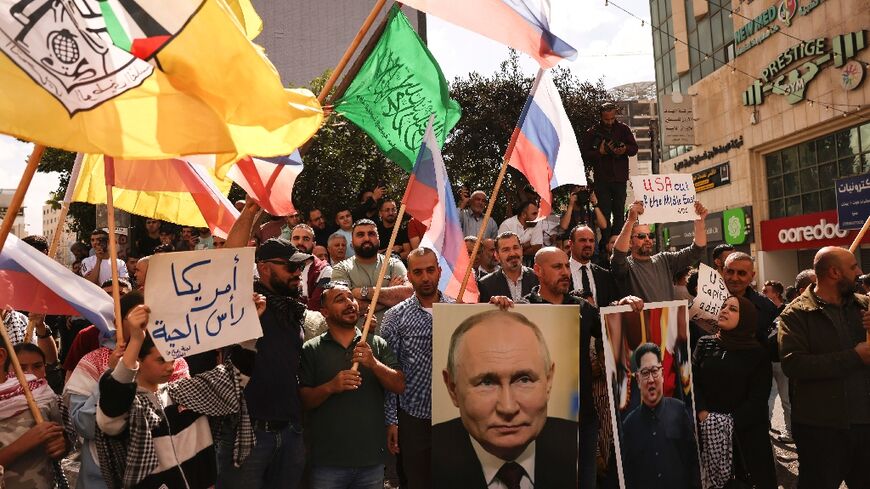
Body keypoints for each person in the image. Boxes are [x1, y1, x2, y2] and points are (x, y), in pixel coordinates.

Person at [95, 293, 264, 489]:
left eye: (173, 358)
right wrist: (136, 340)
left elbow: (234, 377)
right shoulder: (131, 409)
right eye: (160, 360)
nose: (170, 367)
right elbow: (110, 415)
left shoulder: (187, 393)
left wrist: (250, 322)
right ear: (138, 361)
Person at [221, 199, 313, 489]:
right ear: (262, 267)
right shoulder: (245, 300)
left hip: (290, 432)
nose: (297, 273)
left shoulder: (292, 307)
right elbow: (228, 262)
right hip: (248, 435)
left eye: (300, 267)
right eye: (289, 267)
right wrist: (249, 212)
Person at [432, 309, 578, 488]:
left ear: (548, 381)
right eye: (486, 383)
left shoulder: (577, 446)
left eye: (524, 380)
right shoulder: (427, 456)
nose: (508, 407)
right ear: (452, 388)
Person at [65, 291, 191, 489]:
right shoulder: (92, 362)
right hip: (103, 479)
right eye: (136, 317)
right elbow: (84, 425)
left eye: (150, 317)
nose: (143, 325)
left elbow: (182, 422)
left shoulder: (173, 363)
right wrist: (114, 376)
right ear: (117, 322)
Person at [778, 246, 870, 488]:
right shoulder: (796, 314)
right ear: (834, 273)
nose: (859, 272)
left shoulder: (865, 305)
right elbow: (794, 364)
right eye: (853, 267)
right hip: (821, 430)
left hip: (866, 425)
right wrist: (854, 356)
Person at [299, 282, 405, 488]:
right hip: (327, 463)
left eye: (351, 298)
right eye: (340, 299)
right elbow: (304, 400)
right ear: (325, 312)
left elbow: (399, 385)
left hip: (371, 462)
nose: (349, 303)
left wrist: (374, 364)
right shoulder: (311, 349)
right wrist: (331, 386)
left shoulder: (375, 344)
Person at [381, 248, 451, 488]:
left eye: (431, 270)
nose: (425, 277)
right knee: (416, 481)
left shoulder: (459, 311)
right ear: (409, 275)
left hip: (455, 416)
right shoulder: (394, 318)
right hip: (413, 418)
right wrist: (392, 421)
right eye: (418, 272)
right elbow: (391, 374)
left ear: (439, 271)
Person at [693, 296, 777, 489]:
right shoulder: (705, 343)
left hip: (747, 437)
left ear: (746, 318)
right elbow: (694, 381)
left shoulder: (757, 353)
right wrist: (703, 413)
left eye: (732, 309)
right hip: (708, 431)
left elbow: (758, 398)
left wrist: (728, 423)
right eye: (723, 306)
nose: (724, 311)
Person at [623, 343, 700, 489]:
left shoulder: (679, 410)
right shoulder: (629, 425)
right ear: (638, 380)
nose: (651, 379)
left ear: (662, 375)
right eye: (645, 373)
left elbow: (693, 463)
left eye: (654, 371)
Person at [0, 342, 70, 489]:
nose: (29, 373)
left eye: (37, 366)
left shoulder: (47, 397)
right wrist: (23, 443)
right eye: (22, 367)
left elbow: (64, 440)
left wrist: (61, 445)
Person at [611, 200, 708, 302]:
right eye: (641, 236)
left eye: (650, 235)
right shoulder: (626, 266)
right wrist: (630, 221)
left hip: (667, 318)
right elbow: (618, 255)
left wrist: (700, 222)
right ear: (630, 242)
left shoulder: (665, 260)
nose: (647, 239)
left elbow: (696, 251)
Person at [331, 219, 412, 330]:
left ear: (378, 239)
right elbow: (343, 308)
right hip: (358, 339)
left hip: (395, 337)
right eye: (360, 235)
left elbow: (408, 294)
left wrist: (364, 292)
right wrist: (389, 294)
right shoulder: (341, 269)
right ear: (351, 242)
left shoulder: (393, 263)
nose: (367, 238)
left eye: (371, 234)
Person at [580, 103, 638, 247]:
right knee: (604, 211)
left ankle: (617, 241)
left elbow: (634, 148)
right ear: (601, 117)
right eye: (607, 120)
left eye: (612, 118)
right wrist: (600, 152)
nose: (610, 122)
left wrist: (624, 149)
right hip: (602, 179)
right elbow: (585, 154)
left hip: (620, 178)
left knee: (619, 211)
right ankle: (606, 242)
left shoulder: (623, 129)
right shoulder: (592, 132)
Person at [722, 252, 779, 355]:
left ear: (752, 276)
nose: (734, 278)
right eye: (730, 272)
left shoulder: (766, 307)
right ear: (723, 271)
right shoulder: (706, 301)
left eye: (741, 273)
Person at [476, 232, 539, 303]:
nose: (512, 253)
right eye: (506, 250)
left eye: (515, 248)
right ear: (497, 255)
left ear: (521, 250)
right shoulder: (485, 284)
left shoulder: (538, 278)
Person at [567, 225, 619, 307]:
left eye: (591, 240)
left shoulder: (605, 275)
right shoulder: (560, 273)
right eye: (582, 240)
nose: (588, 244)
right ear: (571, 244)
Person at [289, 224, 332, 312]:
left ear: (314, 244)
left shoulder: (324, 271)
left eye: (306, 239)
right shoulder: (280, 267)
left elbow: (315, 306)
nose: (300, 242)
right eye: (296, 238)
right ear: (290, 242)